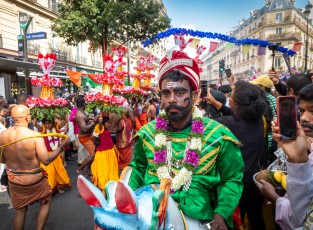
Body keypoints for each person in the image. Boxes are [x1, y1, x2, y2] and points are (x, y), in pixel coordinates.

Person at [128, 50, 244, 229]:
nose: (172, 100)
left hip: (199, 221)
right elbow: (137, 169)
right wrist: (127, 202)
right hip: (150, 220)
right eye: (166, 93)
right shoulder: (148, 133)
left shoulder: (218, 135)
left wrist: (221, 213)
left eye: (180, 92)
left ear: (195, 96)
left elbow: (232, 178)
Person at [0, 105, 68, 230]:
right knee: (46, 201)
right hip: (34, 178)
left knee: (20, 211)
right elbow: (46, 160)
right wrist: (61, 147)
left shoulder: (3, 135)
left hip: (14, 179)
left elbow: (0, 159)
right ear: (27, 118)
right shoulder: (34, 135)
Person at [216, 81, 271, 229]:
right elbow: (235, 116)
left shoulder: (222, 124)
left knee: (234, 221)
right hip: (256, 181)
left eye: (231, 95)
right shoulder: (261, 120)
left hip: (234, 184)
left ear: (235, 103)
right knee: (255, 217)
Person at [257, 83, 313, 229]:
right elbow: (305, 219)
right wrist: (298, 160)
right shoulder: (307, 148)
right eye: (302, 110)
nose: (305, 118)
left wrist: (276, 198)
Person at [33, 118, 71, 193]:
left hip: (56, 154)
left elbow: (66, 120)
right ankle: (49, 188)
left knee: (59, 171)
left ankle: (59, 187)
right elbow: (34, 123)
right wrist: (36, 116)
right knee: (50, 173)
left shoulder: (57, 128)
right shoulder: (43, 129)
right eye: (46, 123)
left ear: (52, 123)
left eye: (49, 123)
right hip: (47, 155)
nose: (47, 125)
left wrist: (62, 111)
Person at [90, 113, 119, 194]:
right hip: (103, 154)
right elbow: (100, 124)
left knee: (111, 170)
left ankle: (112, 187)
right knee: (104, 171)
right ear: (102, 123)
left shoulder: (105, 129)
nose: (109, 124)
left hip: (110, 152)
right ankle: (104, 189)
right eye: (108, 123)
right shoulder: (100, 128)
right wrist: (100, 117)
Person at [74, 95, 95, 177]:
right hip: (84, 137)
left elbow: (85, 121)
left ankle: (88, 171)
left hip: (89, 135)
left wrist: (90, 118)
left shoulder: (82, 111)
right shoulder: (79, 114)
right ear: (84, 103)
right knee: (93, 154)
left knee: (92, 153)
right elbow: (84, 128)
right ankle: (80, 169)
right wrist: (93, 122)